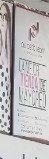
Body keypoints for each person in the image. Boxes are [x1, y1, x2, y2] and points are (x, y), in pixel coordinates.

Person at [0, 2, 11, 133]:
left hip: (5, 108)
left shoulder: (9, 50)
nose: (2, 20)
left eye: (5, 17)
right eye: (0, 16)